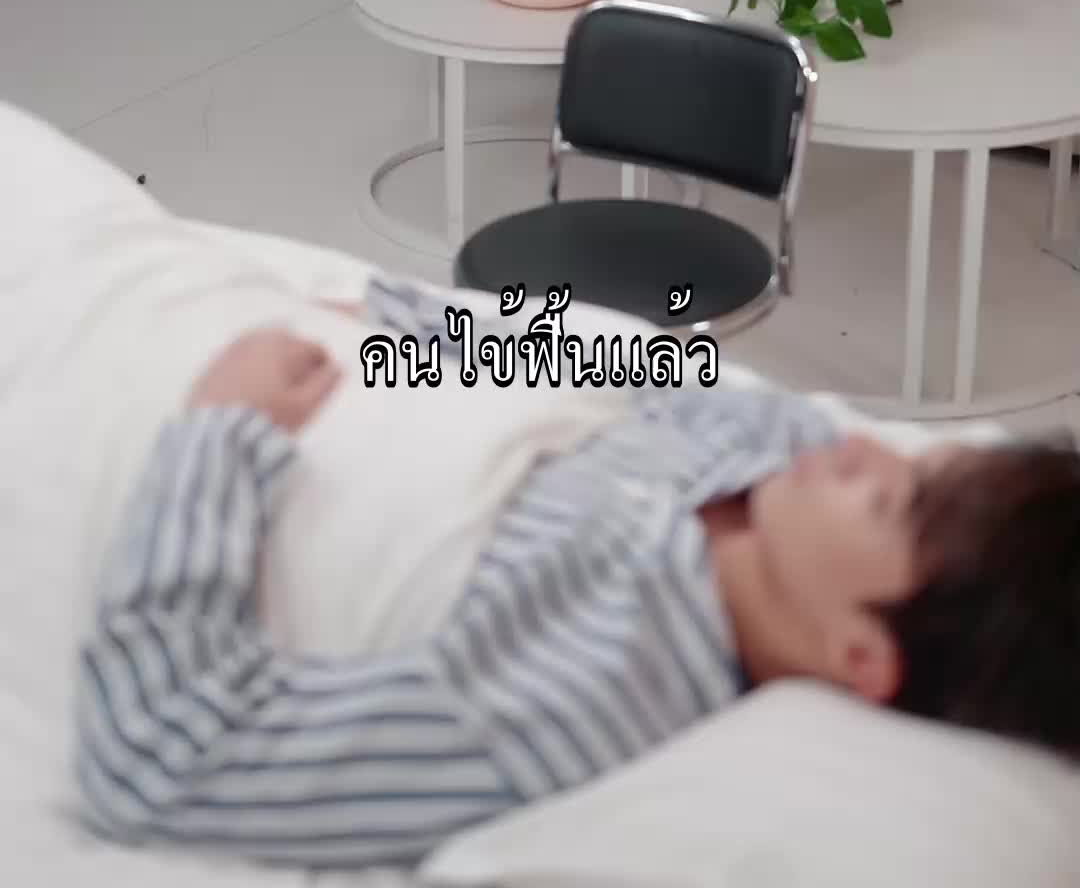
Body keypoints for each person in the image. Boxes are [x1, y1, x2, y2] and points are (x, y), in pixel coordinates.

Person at [74, 275, 1080, 870]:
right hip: (274, 322)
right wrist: (409, 318)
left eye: (894, 502)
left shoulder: (580, 684)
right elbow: (614, 367)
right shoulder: (782, 444)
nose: (866, 449)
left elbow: (167, 756)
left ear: (861, 655)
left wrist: (223, 432)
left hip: (153, 417)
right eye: (921, 461)